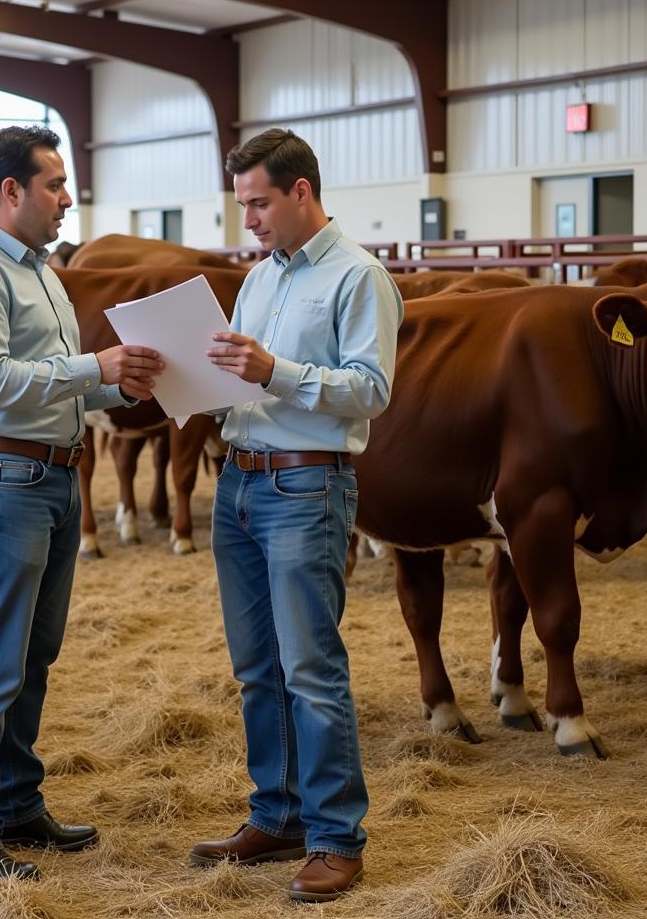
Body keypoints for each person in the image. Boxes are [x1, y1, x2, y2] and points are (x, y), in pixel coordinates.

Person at [0, 125, 163, 882]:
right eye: (56, 185)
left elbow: (45, 374)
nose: (67, 199)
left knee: (32, 656)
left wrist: (113, 385)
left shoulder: (41, 271)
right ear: (11, 192)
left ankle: (15, 805)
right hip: (0, 477)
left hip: (50, 474)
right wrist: (95, 362)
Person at [193, 129, 402, 902]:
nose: (248, 218)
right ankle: (277, 813)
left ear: (302, 192)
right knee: (256, 668)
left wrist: (275, 371)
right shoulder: (261, 278)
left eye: (259, 202)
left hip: (308, 487)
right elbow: (245, 374)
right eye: (244, 203)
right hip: (242, 481)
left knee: (310, 667)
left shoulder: (358, 277)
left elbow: (372, 389)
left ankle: (336, 836)